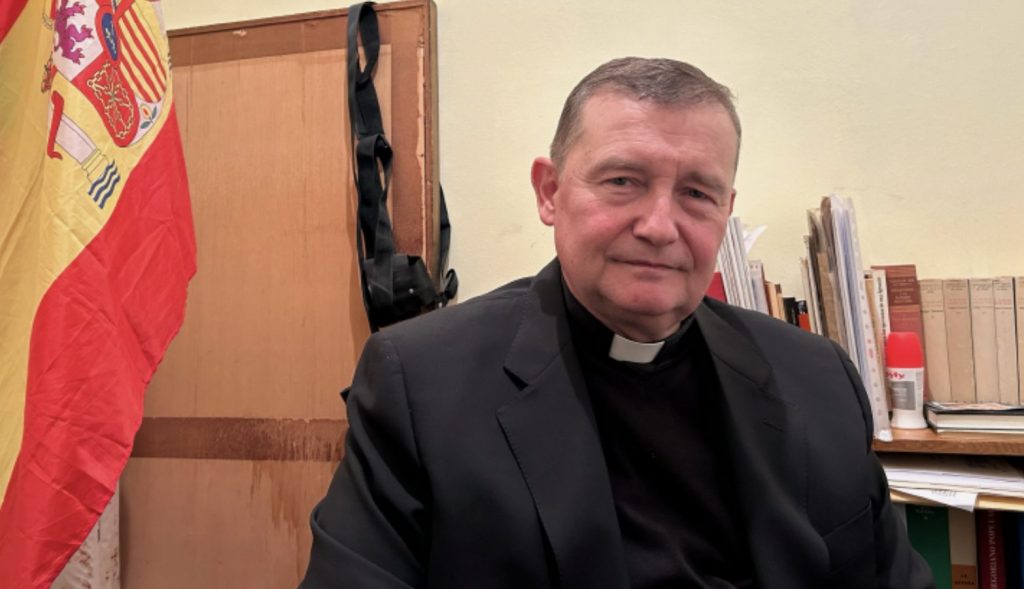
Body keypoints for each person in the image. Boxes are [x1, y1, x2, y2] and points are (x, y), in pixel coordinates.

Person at [301, 57, 934, 589]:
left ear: (726, 210)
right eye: (623, 180)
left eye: (696, 193)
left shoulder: (817, 376)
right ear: (550, 192)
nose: (659, 226)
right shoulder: (420, 384)